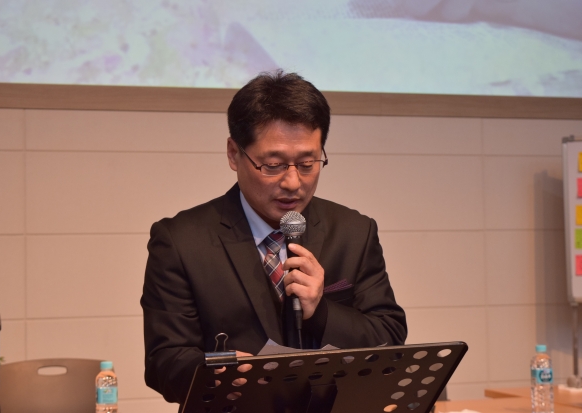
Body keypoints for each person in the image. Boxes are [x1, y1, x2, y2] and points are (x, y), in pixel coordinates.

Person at [141, 70, 407, 406]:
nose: (293, 183)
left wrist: (322, 312)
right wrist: (214, 373)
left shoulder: (354, 232)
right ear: (234, 154)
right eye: (273, 165)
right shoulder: (181, 241)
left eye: (307, 163)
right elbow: (164, 361)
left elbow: (390, 338)